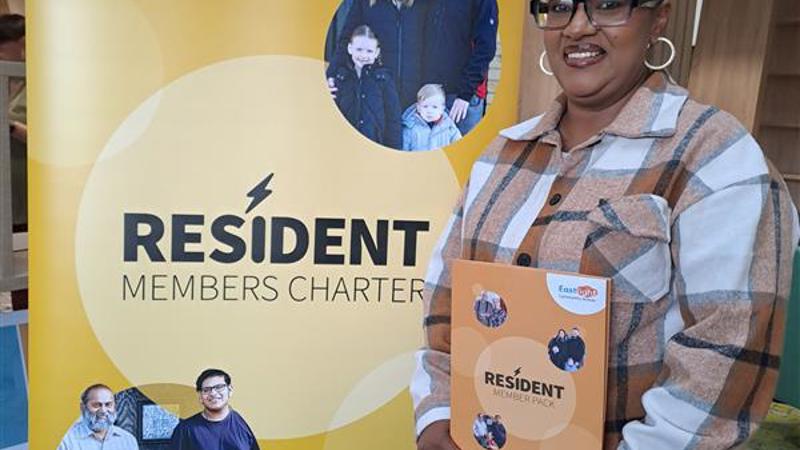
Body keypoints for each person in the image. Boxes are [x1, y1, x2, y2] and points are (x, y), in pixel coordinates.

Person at [410, 0, 799, 449]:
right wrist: (437, 417)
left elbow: (723, 361)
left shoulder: (715, 156)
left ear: (659, 16)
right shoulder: (501, 155)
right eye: (557, 7)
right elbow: (445, 308)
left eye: (608, 4)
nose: (577, 26)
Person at [327, 0, 430, 109]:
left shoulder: (424, 4)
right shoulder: (365, 3)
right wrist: (331, 75)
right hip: (376, 94)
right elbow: (346, 41)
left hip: (415, 98)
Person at [423, 0, 498, 136]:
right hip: (430, 94)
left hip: (462, 100)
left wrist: (465, 95)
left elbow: (485, 48)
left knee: (462, 154)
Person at [331, 25, 402, 148]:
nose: (363, 55)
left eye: (369, 51)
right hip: (345, 145)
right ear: (349, 48)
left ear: (376, 53)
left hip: (375, 145)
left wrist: (394, 150)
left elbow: (393, 119)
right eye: (359, 49)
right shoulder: (340, 78)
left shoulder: (384, 80)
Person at [169, 369, 259, 450]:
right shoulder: (186, 429)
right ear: (200, 396)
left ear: (230, 390)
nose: (213, 393)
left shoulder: (242, 426)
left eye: (219, 387)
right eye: (206, 390)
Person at [57, 384, 139, 450]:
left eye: (108, 405)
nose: (103, 411)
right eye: (97, 405)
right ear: (82, 407)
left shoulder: (128, 440)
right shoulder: (66, 441)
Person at [402, 84, 462, 151]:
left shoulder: (449, 127)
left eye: (435, 107)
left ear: (442, 109)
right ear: (418, 107)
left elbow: (459, 147)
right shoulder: (410, 128)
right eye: (425, 106)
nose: (429, 111)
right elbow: (404, 151)